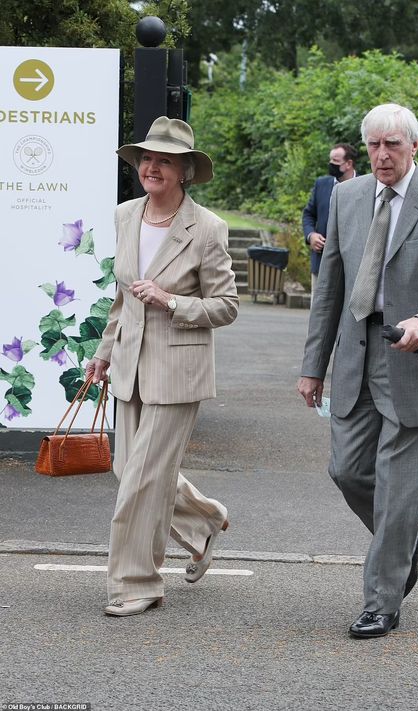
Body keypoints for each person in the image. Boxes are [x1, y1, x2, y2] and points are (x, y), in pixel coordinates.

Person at [298, 103, 418, 638]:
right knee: (347, 469)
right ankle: (408, 535)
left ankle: (382, 600)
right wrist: (313, 366)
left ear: (414, 147)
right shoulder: (347, 197)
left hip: (416, 359)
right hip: (356, 354)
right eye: (373, 145)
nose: (381, 155)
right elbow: (330, 287)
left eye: (392, 144)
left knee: (398, 484)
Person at [86, 116, 239, 617]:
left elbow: (226, 305)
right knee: (126, 469)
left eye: (164, 161)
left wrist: (172, 301)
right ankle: (204, 523)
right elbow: (121, 296)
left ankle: (137, 583)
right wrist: (104, 352)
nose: (151, 168)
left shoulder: (208, 229)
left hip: (178, 372)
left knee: (142, 482)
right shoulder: (125, 215)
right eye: (146, 159)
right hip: (128, 364)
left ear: (184, 172)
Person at [302, 144, 357, 295]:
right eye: (330, 160)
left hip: (352, 267)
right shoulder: (321, 184)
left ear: (348, 164)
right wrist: (311, 235)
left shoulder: (365, 186)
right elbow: (308, 215)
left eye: (335, 161)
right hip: (321, 262)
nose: (331, 164)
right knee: (318, 311)